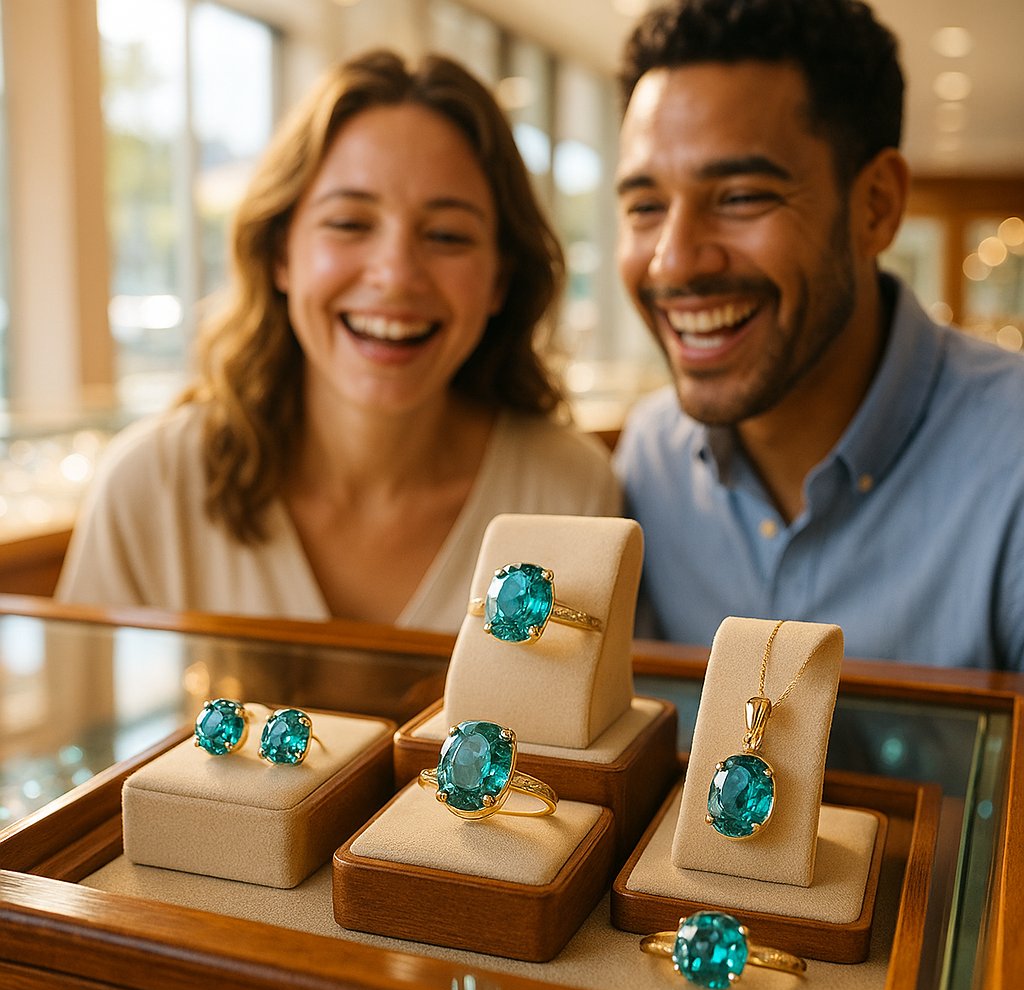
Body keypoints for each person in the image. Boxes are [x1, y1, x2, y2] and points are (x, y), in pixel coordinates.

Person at [57, 50, 620, 633]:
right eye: (350, 223)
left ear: (500, 278)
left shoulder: (569, 492)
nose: (396, 274)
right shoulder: (151, 489)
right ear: (281, 254)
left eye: (448, 235)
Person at [613, 0, 1024, 671]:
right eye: (645, 207)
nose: (674, 260)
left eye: (742, 196)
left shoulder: (1011, 462)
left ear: (876, 207)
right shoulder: (649, 462)